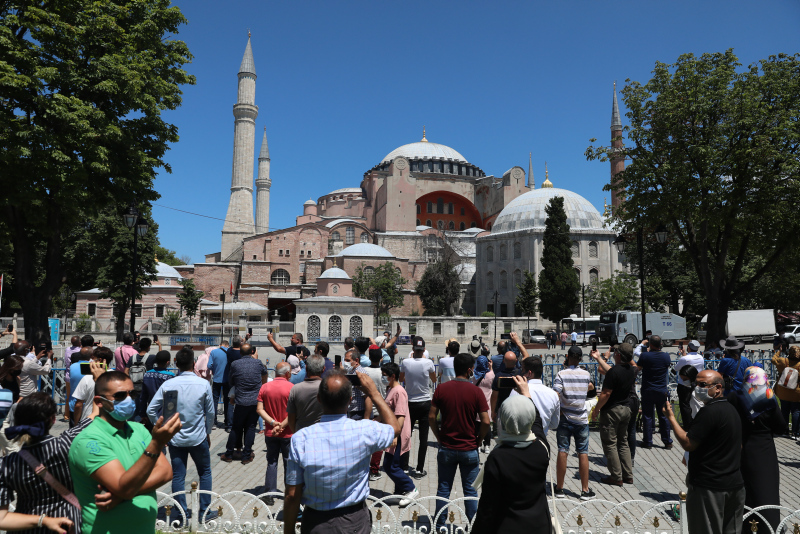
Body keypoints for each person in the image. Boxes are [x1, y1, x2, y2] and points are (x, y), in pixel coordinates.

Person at [283, 371, 401, 534]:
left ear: (319, 399)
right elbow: (395, 428)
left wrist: (288, 530)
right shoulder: (364, 431)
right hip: (354, 521)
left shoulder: (301, 438)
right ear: (350, 400)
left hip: (316, 522)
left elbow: (292, 494)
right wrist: (374, 393)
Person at [69, 371, 182, 534]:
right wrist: (156, 444)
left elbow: (165, 472)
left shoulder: (138, 430)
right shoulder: (88, 441)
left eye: (132, 393)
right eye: (120, 395)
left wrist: (122, 496)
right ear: (99, 402)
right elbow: (124, 487)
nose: (128, 399)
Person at [0, 390, 101, 534]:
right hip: (69, 524)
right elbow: (94, 415)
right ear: (53, 419)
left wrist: (43, 520)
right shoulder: (67, 443)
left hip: (26, 528)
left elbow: (2, 519)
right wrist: (97, 381)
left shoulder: (6, 465)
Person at [664, 370, 745, 534]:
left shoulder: (709, 412)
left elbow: (688, 443)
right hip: (734, 485)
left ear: (718, 388)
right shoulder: (731, 409)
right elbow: (739, 446)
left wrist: (671, 418)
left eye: (702, 385)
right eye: (695, 384)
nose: (697, 389)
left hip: (710, 487)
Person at [147, 347, 216, 524]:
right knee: (205, 472)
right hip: (198, 437)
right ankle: (204, 512)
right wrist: (207, 432)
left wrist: (163, 429)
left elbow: (151, 409)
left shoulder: (169, 384)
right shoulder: (203, 384)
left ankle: (180, 513)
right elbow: (210, 413)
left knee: (178, 475)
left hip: (175, 438)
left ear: (176, 363)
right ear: (194, 364)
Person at [472, 383, 551, 533]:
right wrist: (527, 395)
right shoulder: (541, 448)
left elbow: (487, 508)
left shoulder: (498, 457)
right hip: (539, 526)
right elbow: (537, 423)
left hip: (507, 526)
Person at [428, 352, 490, 528]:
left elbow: (432, 417)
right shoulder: (476, 391)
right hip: (469, 448)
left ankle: (440, 524)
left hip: (447, 446)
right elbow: (486, 421)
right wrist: (479, 440)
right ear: (470, 370)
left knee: (443, 489)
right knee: (470, 490)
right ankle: (473, 526)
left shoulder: (442, 389)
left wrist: (438, 436)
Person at [727, 367, 787, 533]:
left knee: (744, 488)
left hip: (740, 448)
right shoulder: (769, 397)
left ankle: (745, 526)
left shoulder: (735, 396)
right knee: (766, 488)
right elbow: (781, 427)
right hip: (764, 450)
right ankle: (769, 527)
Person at [552, 345, 595, 499]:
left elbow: (555, 394)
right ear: (580, 358)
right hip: (581, 418)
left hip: (565, 417)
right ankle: (585, 490)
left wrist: (559, 409)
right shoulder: (586, 374)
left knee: (563, 450)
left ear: (567, 356)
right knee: (583, 452)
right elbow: (590, 389)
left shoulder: (561, 374)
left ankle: (560, 488)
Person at [590, 343, 636, 485]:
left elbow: (606, 393)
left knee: (610, 444)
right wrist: (599, 358)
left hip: (612, 411)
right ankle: (628, 474)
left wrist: (597, 409)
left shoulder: (614, 372)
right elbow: (612, 371)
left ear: (618, 355)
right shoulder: (631, 370)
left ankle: (616, 477)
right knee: (623, 442)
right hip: (626, 409)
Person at [221, 343, 268, 464]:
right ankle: (247, 455)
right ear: (252, 352)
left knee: (236, 428)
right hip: (254, 401)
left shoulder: (235, 364)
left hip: (240, 401)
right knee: (251, 427)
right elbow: (264, 373)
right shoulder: (258, 363)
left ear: (240, 353)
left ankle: (229, 453)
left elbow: (231, 381)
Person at [256, 362, 294, 505]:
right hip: (288, 432)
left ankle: (269, 493)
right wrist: (282, 425)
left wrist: (273, 423)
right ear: (288, 373)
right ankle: (289, 493)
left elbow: (260, 409)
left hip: (270, 432)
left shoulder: (265, 387)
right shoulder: (292, 388)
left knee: (271, 462)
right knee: (288, 463)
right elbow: (293, 413)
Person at [380, 362, 418, 505]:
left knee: (390, 466)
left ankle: (411, 488)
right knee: (395, 464)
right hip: (392, 432)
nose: (383, 378)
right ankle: (400, 491)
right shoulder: (390, 389)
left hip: (398, 434)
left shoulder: (399, 391)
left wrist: (395, 435)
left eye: (385, 376)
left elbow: (400, 416)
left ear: (393, 376)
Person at [398, 336, 436, 479]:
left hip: (410, 402)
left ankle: (405, 466)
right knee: (424, 438)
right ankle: (420, 469)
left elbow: (401, 379)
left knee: (407, 435)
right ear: (424, 349)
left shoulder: (406, 362)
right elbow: (433, 379)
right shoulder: (429, 363)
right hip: (425, 401)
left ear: (413, 349)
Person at [636, 335, 673, 449]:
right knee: (663, 415)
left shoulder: (645, 356)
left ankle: (648, 442)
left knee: (647, 415)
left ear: (650, 344)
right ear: (661, 344)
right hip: (662, 389)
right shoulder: (666, 356)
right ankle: (667, 441)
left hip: (648, 389)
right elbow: (667, 365)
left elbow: (638, 368)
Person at [511, 356, 560, 436]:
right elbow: (554, 424)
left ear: (529, 373)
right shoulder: (553, 394)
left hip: (521, 438)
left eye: (523, 370)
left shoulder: (517, 390)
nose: (521, 372)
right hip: (541, 439)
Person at [279, 355, 326, 434]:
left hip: (301, 433)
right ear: (323, 369)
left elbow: (291, 418)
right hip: (322, 434)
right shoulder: (328, 388)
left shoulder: (295, 389)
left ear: (306, 368)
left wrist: (296, 434)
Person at [72, 347, 115, 425]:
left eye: (93, 359)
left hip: (89, 420)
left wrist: (76, 424)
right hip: (111, 420)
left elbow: (78, 404)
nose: (90, 361)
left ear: (100, 360)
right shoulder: (117, 377)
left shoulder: (87, 378)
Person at [364, 345, 387, 481]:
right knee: (379, 444)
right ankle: (374, 470)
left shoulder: (364, 371)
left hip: (367, 410)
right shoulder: (384, 372)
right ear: (381, 358)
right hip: (381, 410)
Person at [135, 350, 174, 428]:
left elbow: (143, 397)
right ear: (168, 362)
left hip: (151, 412)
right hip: (166, 414)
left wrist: (142, 413)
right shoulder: (170, 376)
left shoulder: (147, 374)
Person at [674, 340, 705, 429]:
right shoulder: (700, 357)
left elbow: (676, 368)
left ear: (688, 348)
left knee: (685, 405)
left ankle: (687, 425)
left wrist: (683, 355)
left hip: (684, 384)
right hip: (695, 383)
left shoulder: (685, 358)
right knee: (696, 403)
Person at [772, 344, 800, 439]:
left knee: (784, 411)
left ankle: (784, 431)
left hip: (783, 392)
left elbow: (773, 360)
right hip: (796, 392)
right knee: (796, 412)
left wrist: (779, 351)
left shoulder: (783, 361)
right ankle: (796, 433)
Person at [346, 338, 373, 421]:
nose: (346, 363)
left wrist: (366, 418)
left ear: (356, 360)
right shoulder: (351, 371)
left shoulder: (361, 374)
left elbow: (368, 397)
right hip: (352, 413)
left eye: (348, 360)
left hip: (358, 414)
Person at [207, 339, 230, 423]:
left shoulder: (214, 352)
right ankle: (227, 422)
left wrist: (215, 370)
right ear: (227, 345)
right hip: (227, 380)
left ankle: (213, 421)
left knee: (214, 400)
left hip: (216, 379)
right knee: (227, 401)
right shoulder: (229, 352)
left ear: (220, 345)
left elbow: (209, 365)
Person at [476, 358, 495, 452]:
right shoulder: (491, 375)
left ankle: (477, 445)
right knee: (487, 425)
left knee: (477, 425)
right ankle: (487, 445)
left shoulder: (474, 375)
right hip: (487, 403)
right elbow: (492, 376)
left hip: (476, 403)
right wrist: (491, 368)